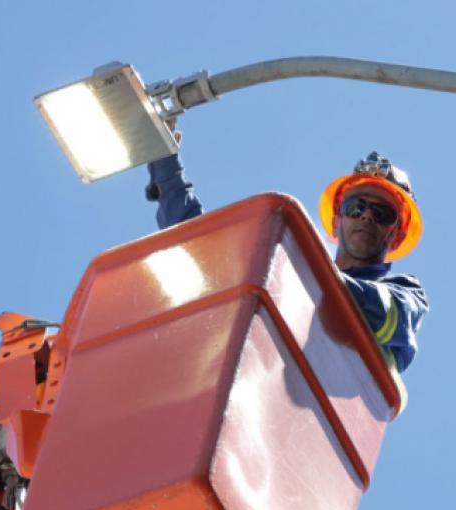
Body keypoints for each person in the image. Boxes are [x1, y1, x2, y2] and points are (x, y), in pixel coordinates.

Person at [145, 142, 429, 378]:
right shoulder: (288, 275)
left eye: (382, 213)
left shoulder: (406, 294)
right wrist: (164, 162)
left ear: (397, 236)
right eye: (356, 207)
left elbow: (386, 314)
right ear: (335, 221)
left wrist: (297, 271)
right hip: (249, 391)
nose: (366, 216)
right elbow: (202, 247)